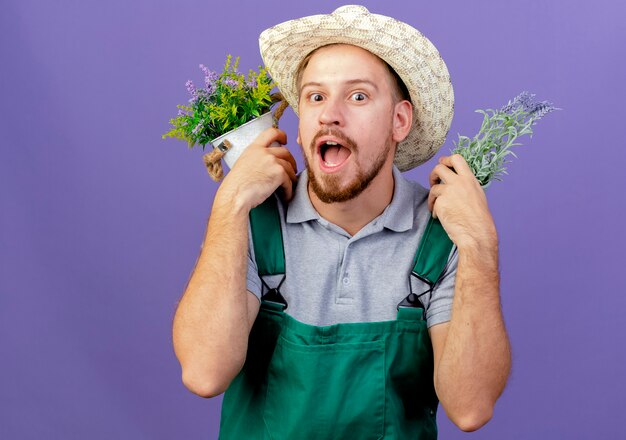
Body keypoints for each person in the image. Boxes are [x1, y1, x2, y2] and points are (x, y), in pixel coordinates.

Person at [172, 5, 511, 439]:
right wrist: (231, 202)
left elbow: (471, 407)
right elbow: (203, 374)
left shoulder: (440, 235)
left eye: (358, 96)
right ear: (299, 125)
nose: (330, 114)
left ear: (399, 120)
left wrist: (481, 246)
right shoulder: (252, 221)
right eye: (315, 96)